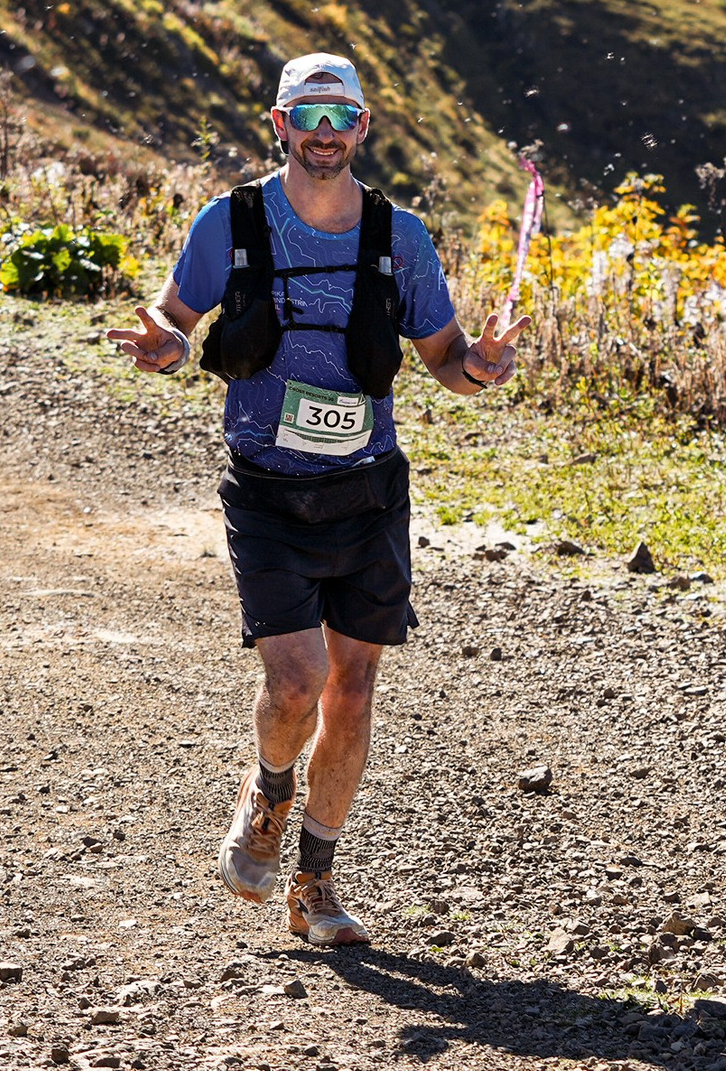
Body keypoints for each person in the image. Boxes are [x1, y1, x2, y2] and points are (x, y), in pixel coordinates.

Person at [106, 53, 526, 946]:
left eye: (343, 117)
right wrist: (163, 347)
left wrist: (479, 369)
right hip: (265, 488)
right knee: (295, 682)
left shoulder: (399, 237)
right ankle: (268, 788)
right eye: (310, 116)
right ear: (280, 123)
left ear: (364, 128)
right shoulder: (233, 222)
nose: (326, 133)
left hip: (367, 489)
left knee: (355, 689)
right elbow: (177, 324)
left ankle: (316, 883)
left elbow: (445, 358)